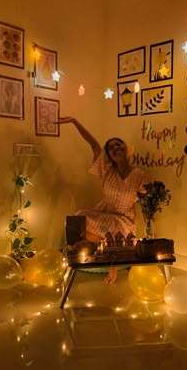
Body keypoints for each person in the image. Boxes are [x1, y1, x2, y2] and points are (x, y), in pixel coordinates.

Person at [55, 116, 149, 283]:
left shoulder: (139, 175)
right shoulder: (107, 171)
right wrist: (75, 121)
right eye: (111, 148)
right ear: (109, 156)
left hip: (123, 219)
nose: (116, 148)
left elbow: (146, 200)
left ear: (126, 149)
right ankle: (71, 262)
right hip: (105, 213)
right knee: (77, 219)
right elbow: (94, 145)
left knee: (114, 233)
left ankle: (111, 263)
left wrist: (148, 227)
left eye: (118, 144)